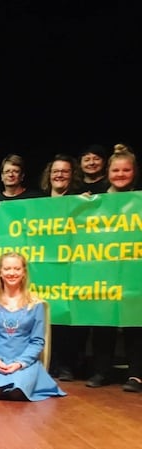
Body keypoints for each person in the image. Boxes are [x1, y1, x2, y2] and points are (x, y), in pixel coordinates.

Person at [0, 252, 66, 401]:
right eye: (7, 269)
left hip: (24, 363)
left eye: (16, 269)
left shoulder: (35, 304)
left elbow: (37, 341)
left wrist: (19, 363)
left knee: (17, 392)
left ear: (23, 273)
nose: (12, 273)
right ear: (0, 273)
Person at [86, 144, 141, 392]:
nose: (120, 174)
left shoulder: (139, 199)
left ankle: (136, 374)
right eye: (116, 170)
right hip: (103, 269)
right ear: (108, 172)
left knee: (134, 323)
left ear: (134, 172)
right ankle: (101, 371)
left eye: (126, 170)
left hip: (133, 270)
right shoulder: (95, 199)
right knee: (103, 322)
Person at [40, 154, 87, 381]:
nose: (59, 175)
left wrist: (89, 205)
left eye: (64, 172)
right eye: (55, 171)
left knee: (67, 317)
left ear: (72, 176)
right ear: (49, 176)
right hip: (44, 267)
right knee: (46, 317)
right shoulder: (36, 202)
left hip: (70, 266)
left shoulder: (79, 201)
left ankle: (67, 365)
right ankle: (49, 362)